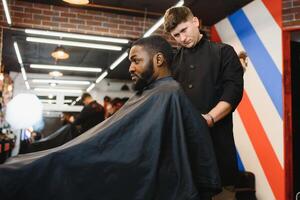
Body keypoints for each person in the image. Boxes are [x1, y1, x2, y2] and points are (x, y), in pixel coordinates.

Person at [0, 36, 220, 200]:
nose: (130, 68)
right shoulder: (155, 93)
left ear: (159, 59)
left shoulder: (166, 94)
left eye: (136, 60)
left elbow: (132, 149)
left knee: (35, 168)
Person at [164, 6, 244, 199]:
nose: (182, 38)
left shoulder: (224, 52)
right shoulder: (172, 63)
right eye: (176, 35)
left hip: (218, 149)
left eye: (184, 30)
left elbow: (232, 93)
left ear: (195, 22)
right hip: (184, 154)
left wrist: (209, 118)